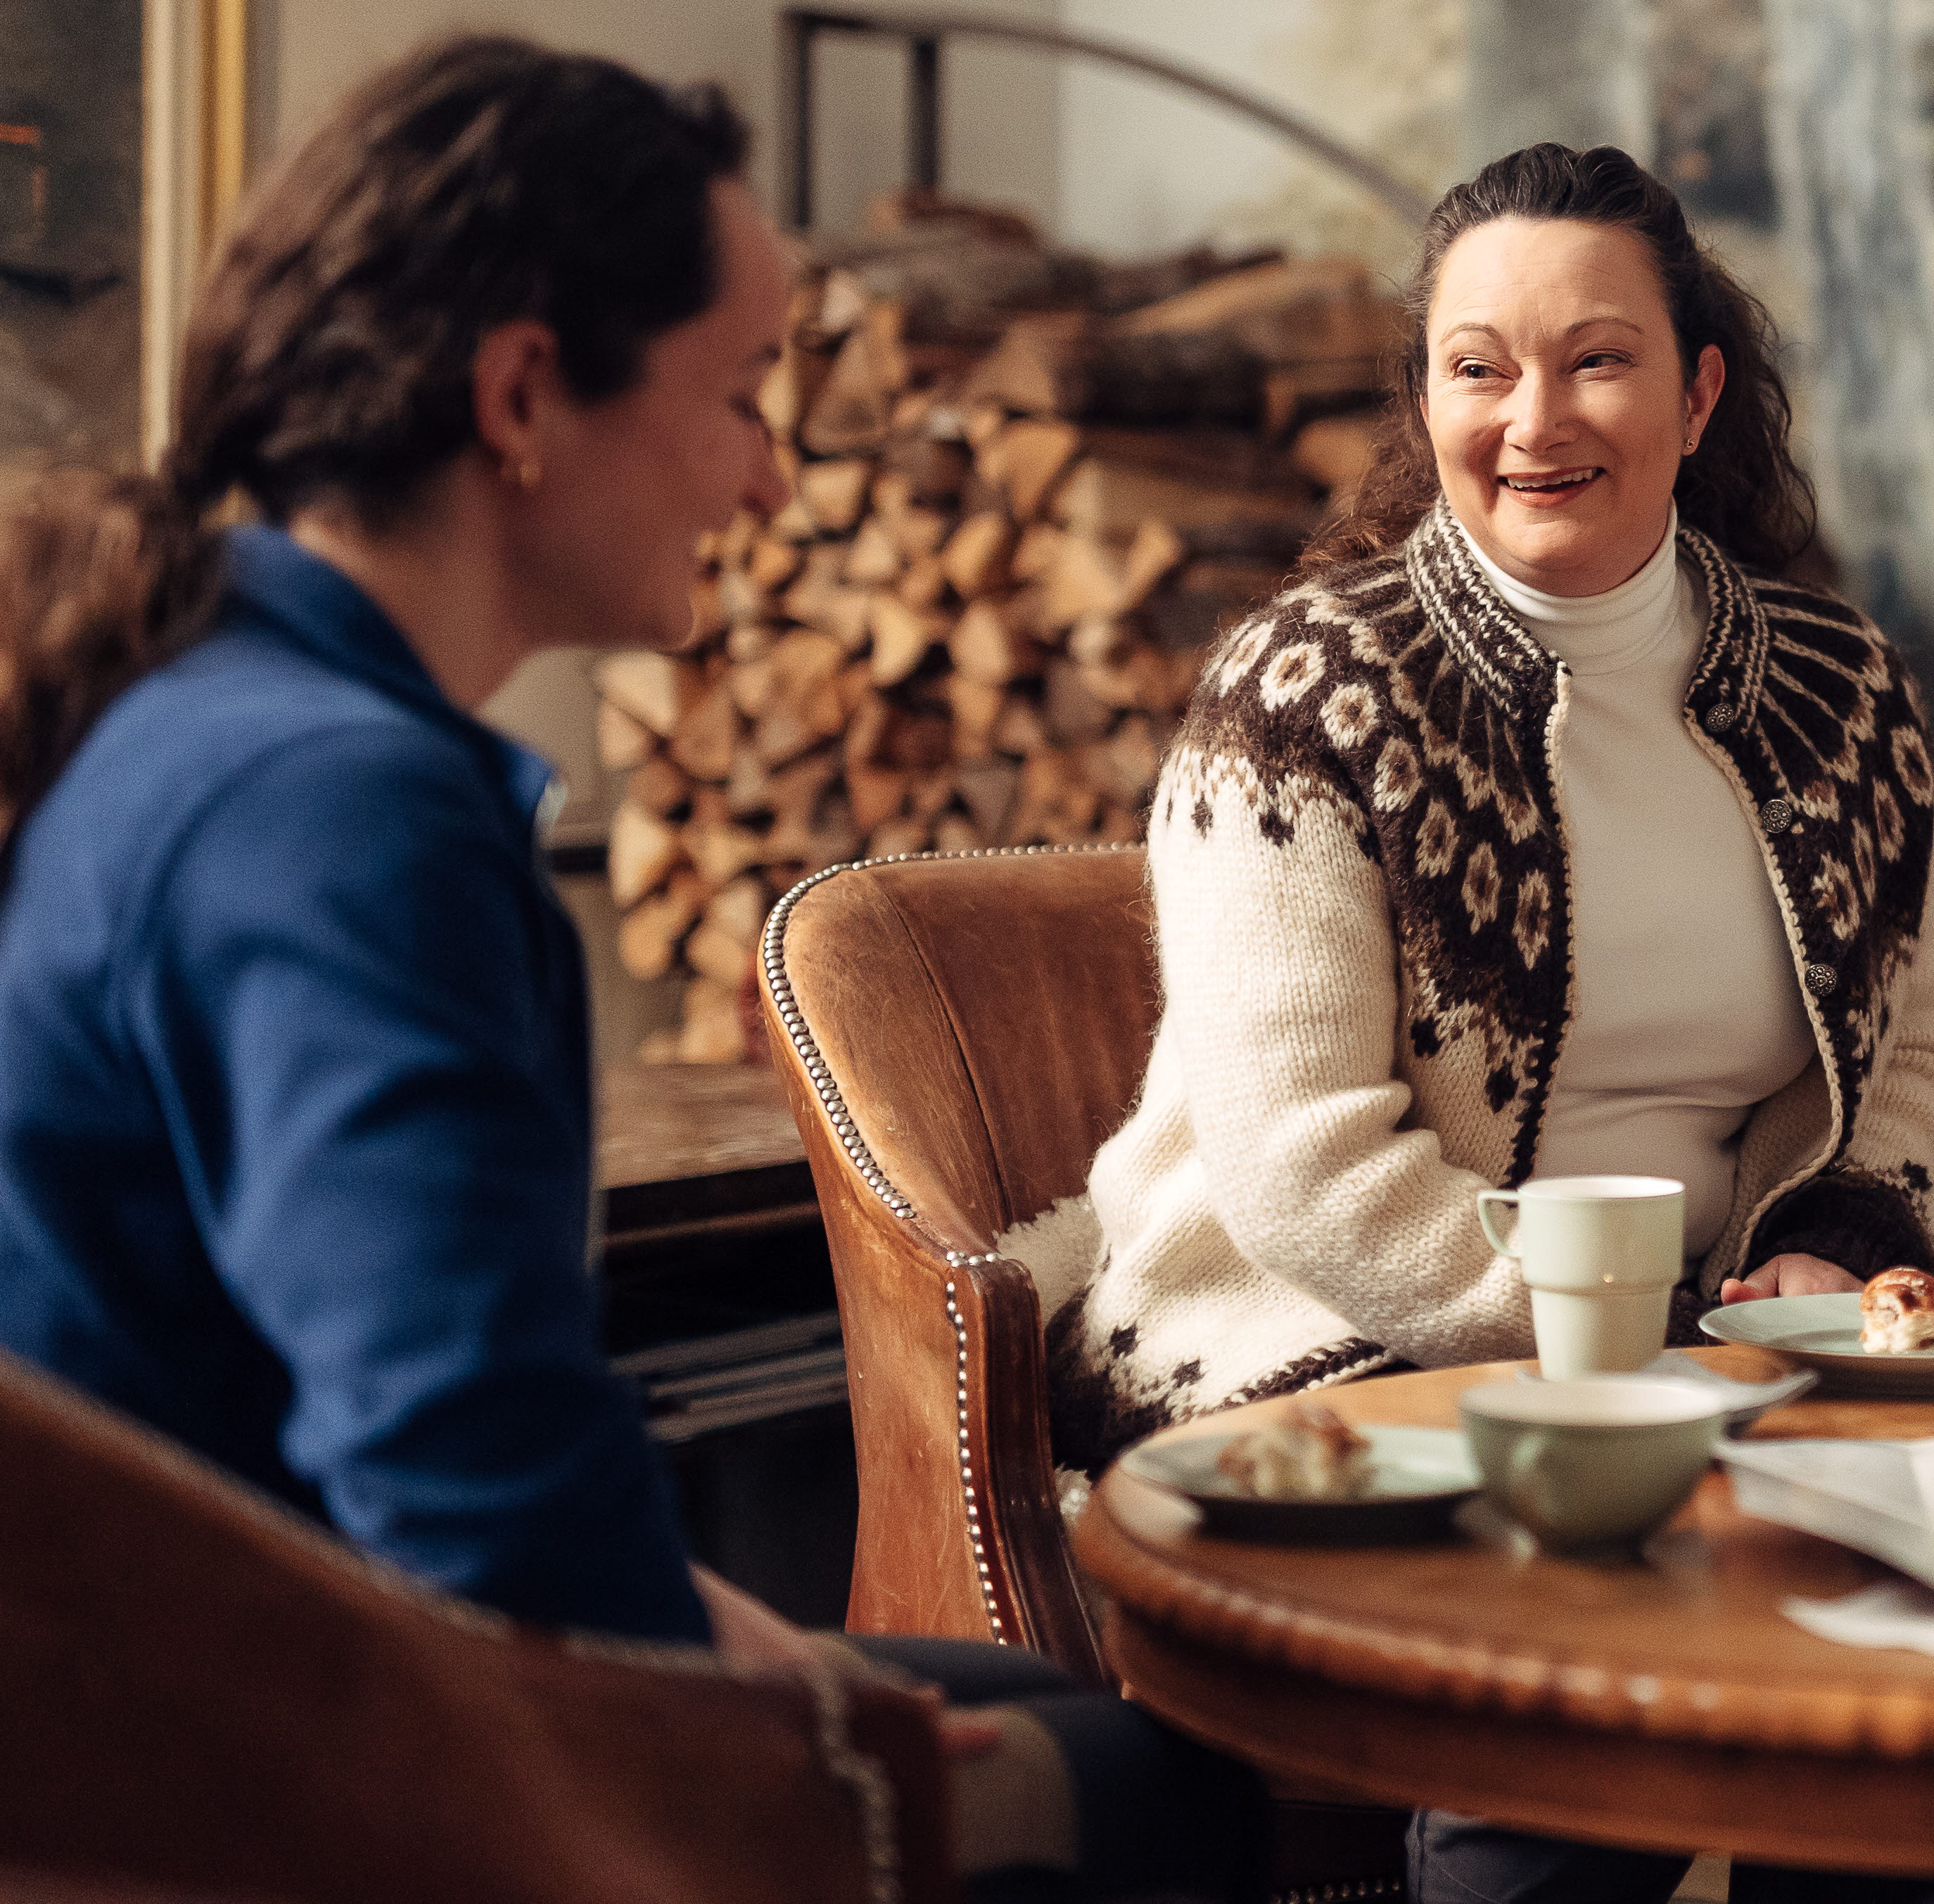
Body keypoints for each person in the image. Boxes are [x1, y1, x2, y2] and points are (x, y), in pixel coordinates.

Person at [0, 39, 1259, 1900]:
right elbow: (469, 1505)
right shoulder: (337, 810)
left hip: (204, 1683)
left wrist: (801, 1676)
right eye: (742, 392)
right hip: (244, 1770)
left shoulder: (205, 715)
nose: (767, 474)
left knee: (1035, 1710)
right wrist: (804, 1734)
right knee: (1150, 1795)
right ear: (523, 391)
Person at [1035, 143, 1934, 1472]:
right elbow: (1303, 1164)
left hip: (1730, 1360)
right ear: (1426, 401)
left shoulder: (1845, 693)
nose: (1536, 421)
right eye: (1479, 367)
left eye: (1597, 360)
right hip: (1302, 1347)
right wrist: (1637, 1338)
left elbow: (1908, 1057)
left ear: (1698, 395)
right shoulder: (1303, 697)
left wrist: (1832, 1246)